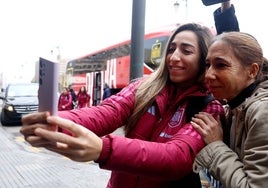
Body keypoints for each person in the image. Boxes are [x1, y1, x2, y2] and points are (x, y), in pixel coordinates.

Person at [20, 23, 225, 188]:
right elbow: (106, 112)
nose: (174, 57)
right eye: (171, 49)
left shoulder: (210, 108)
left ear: (203, 60)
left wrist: (104, 149)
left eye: (186, 51)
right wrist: (54, 121)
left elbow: (177, 157)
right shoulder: (142, 87)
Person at [191, 32, 268, 188]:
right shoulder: (233, 109)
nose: (209, 75)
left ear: (252, 71)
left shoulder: (262, 111)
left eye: (221, 65)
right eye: (208, 65)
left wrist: (215, 145)